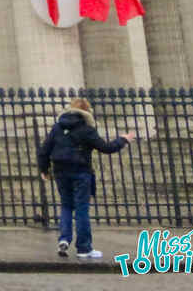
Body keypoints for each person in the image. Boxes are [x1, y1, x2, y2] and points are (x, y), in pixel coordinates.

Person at [37, 95, 135, 260]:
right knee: (81, 209)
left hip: (60, 171)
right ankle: (84, 248)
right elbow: (106, 147)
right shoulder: (86, 129)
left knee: (66, 206)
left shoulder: (57, 127)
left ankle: (64, 239)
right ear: (86, 112)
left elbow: (44, 150)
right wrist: (122, 140)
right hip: (80, 171)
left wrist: (44, 169)